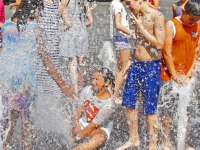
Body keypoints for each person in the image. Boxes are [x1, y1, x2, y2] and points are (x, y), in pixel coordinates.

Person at [116, 0, 165, 150]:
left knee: (150, 108)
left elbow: (159, 44)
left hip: (151, 66)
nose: (127, 6)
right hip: (136, 64)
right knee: (128, 102)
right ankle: (134, 139)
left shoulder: (157, 15)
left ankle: (152, 145)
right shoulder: (137, 14)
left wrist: (140, 28)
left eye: (129, 2)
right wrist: (130, 61)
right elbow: (139, 42)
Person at [159, 0, 200, 150]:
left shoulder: (197, 26)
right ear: (183, 12)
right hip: (170, 75)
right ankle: (166, 141)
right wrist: (175, 75)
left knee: (186, 109)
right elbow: (166, 52)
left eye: (196, 21)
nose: (192, 23)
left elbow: (196, 52)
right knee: (168, 109)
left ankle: (183, 142)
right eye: (190, 19)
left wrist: (189, 73)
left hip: (187, 74)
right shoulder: (171, 25)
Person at [70, 68, 116, 150]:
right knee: (69, 121)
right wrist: (73, 127)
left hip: (99, 129)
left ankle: (77, 148)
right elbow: (78, 111)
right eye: (93, 78)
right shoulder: (87, 90)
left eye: (97, 79)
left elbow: (93, 126)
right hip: (83, 124)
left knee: (100, 137)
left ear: (106, 82)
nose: (93, 82)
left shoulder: (109, 105)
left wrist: (76, 137)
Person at [59, 0, 93, 94]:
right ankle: (77, 89)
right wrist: (80, 26)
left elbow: (59, 11)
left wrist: (65, 24)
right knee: (77, 63)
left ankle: (74, 91)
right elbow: (90, 21)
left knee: (72, 62)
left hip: (70, 32)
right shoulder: (84, 1)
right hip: (82, 33)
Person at [109, 0, 134, 104]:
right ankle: (113, 96)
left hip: (118, 38)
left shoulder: (114, 4)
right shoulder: (117, 5)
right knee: (124, 69)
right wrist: (132, 33)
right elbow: (118, 25)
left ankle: (111, 93)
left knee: (121, 68)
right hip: (121, 38)